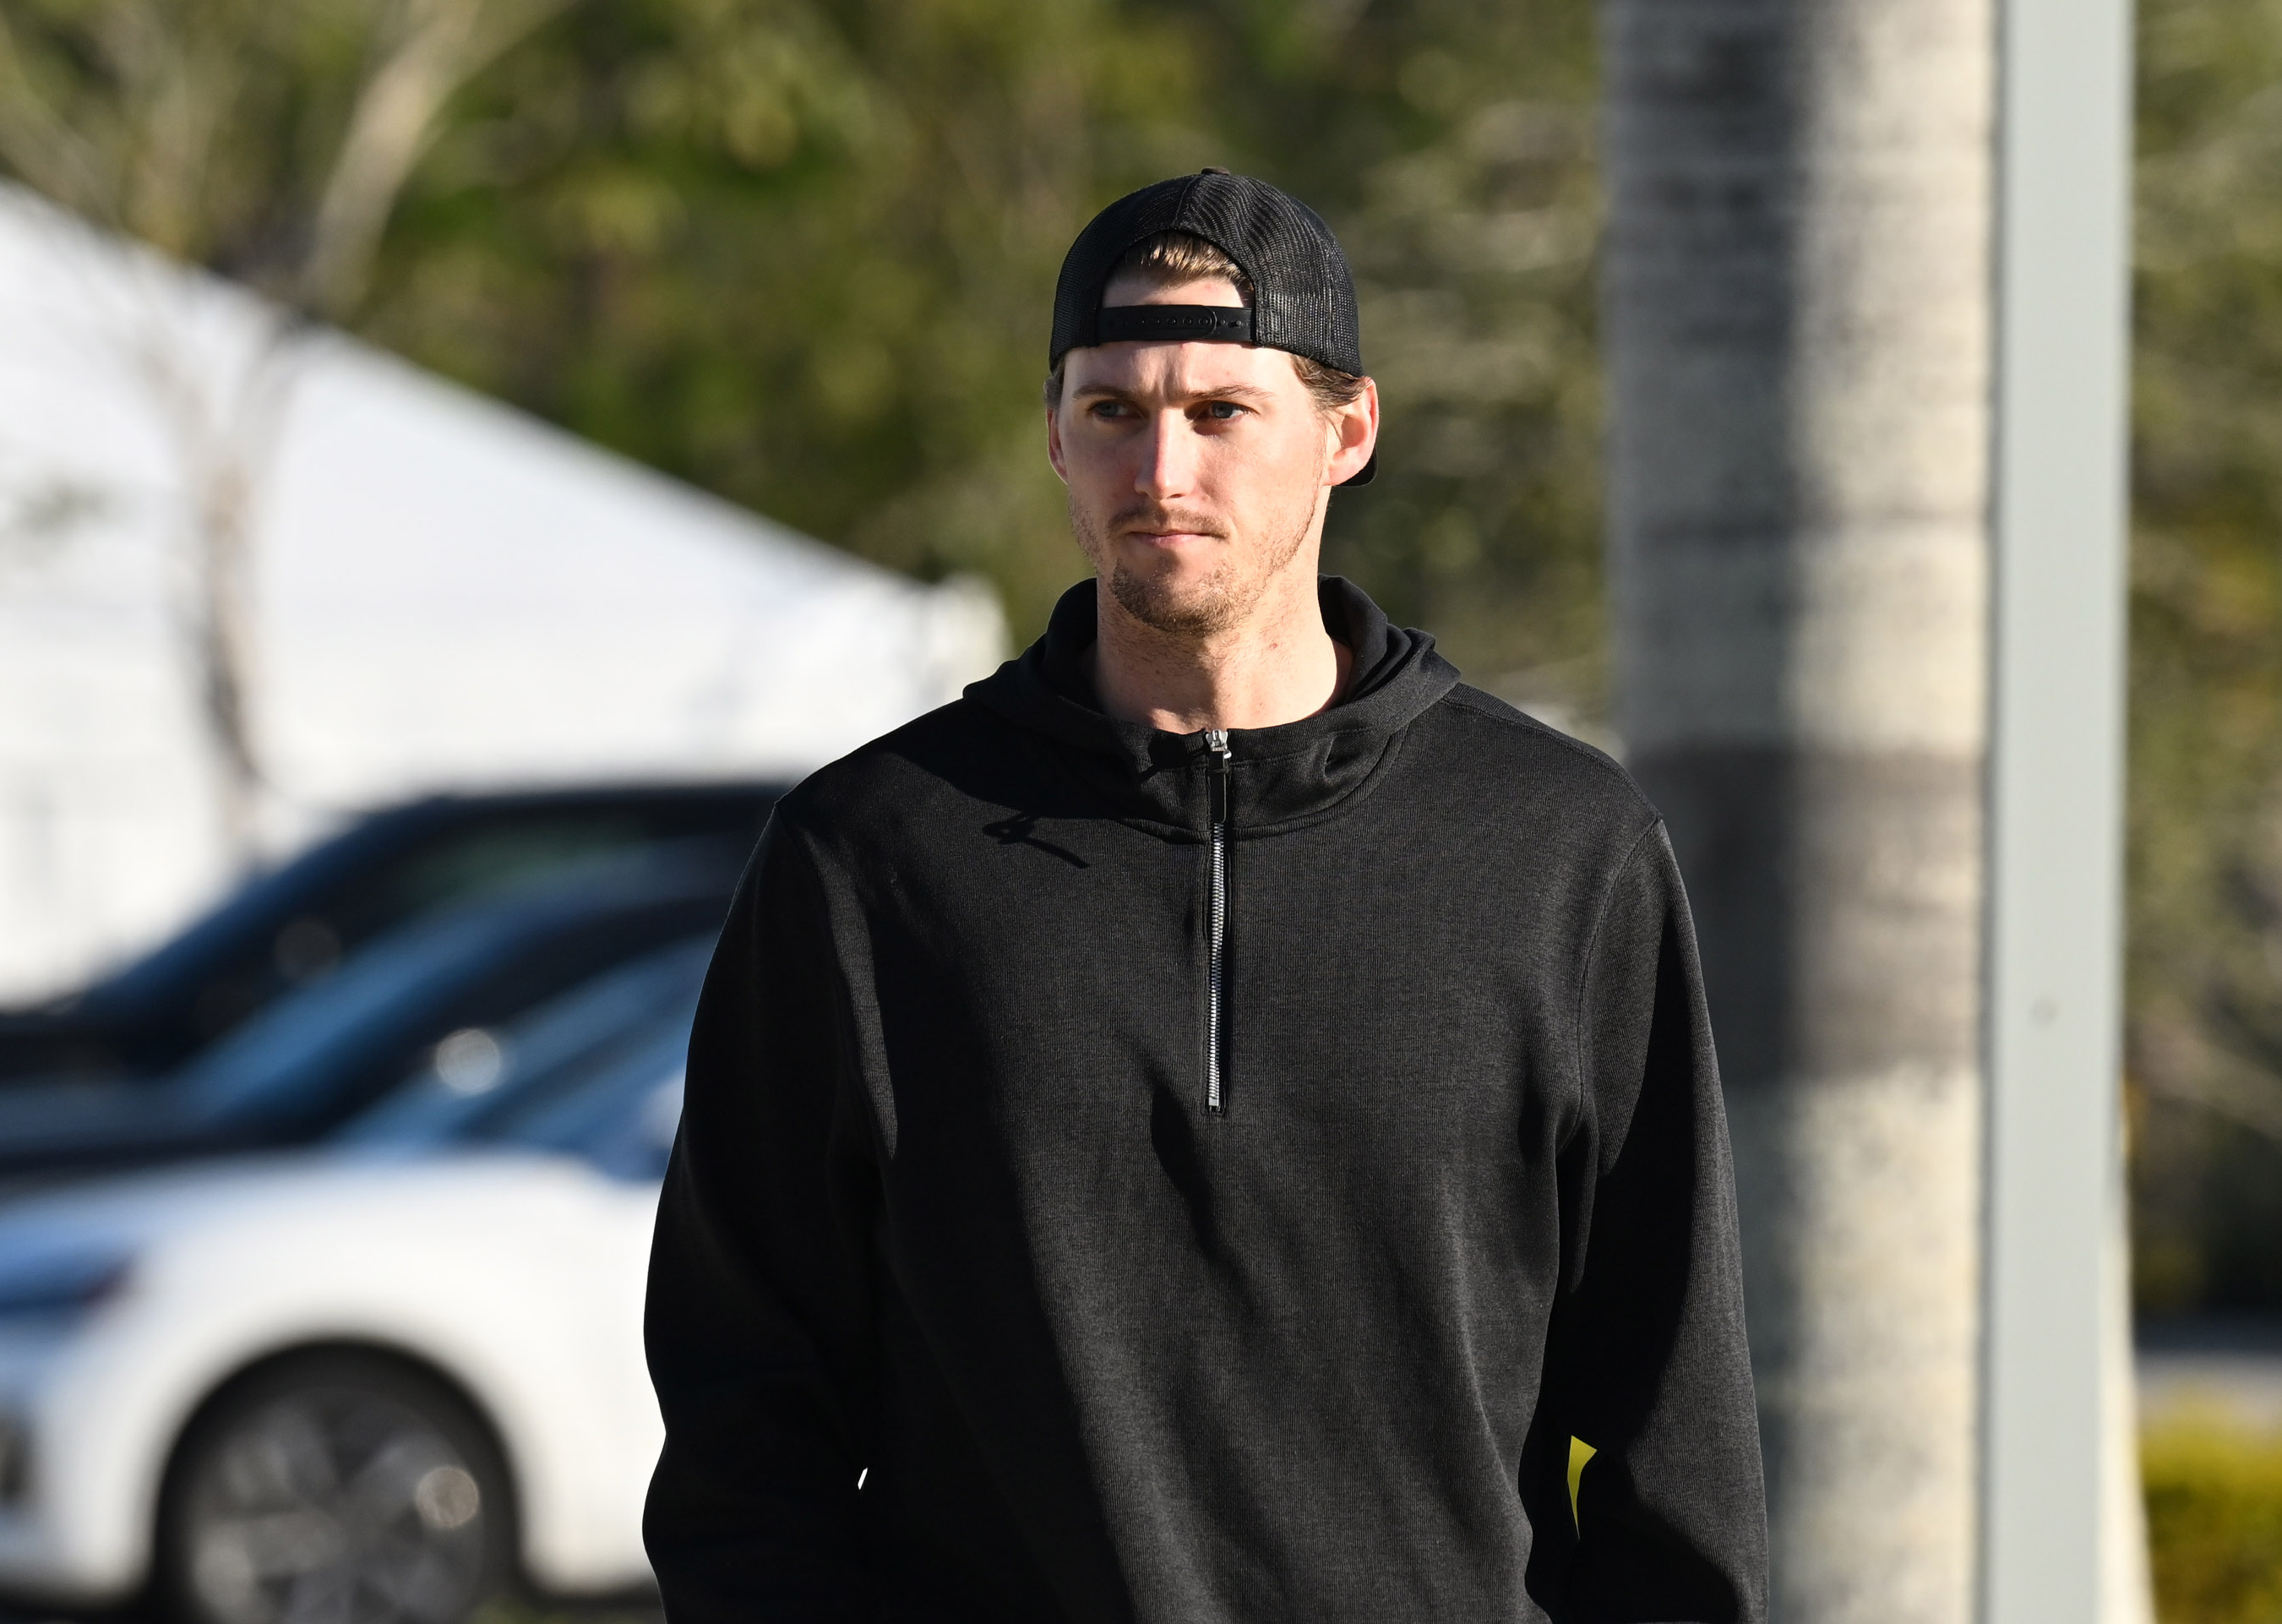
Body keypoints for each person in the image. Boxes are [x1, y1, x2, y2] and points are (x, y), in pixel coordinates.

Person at [643, 169, 1768, 1623]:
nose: (1161, 471)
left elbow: (1675, 1438)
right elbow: (746, 1415)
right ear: (1055, 432)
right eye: (1113, 410)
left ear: (1345, 431)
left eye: (1220, 412)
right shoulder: (872, 859)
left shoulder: (1560, 851)